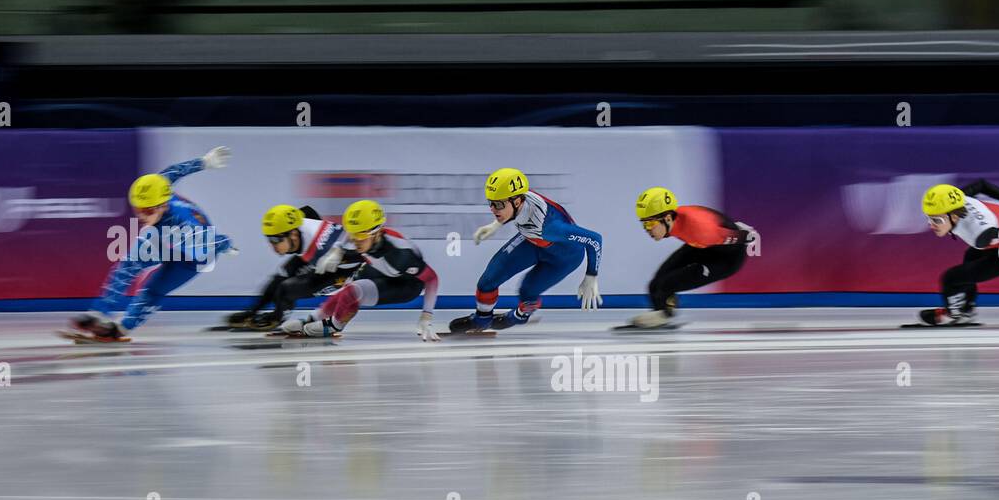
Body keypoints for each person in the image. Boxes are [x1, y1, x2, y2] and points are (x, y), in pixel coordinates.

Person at [68, 146, 232, 341]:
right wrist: (204, 162)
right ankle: (100, 313)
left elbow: (213, 242)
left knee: (153, 289)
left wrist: (226, 244)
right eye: (137, 210)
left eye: (146, 212)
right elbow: (175, 170)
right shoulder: (157, 187)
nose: (141, 216)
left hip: (195, 253)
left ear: (162, 205)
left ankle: (122, 329)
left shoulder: (185, 223)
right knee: (127, 266)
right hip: (165, 235)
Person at [449, 168, 602, 333]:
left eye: (498, 205)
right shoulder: (517, 195)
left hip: (564, 258)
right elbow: (509, 209)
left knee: (527, 291)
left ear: (517, 202)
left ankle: (518, 317)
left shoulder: (551, 228)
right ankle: (482, 320)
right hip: (533, 241)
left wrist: (591, 276)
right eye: (491, 203)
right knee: (488, 280)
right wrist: (494, 225)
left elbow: (595, 239)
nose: (493, 209)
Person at [279, 200, 440, 341]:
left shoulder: (401, 256)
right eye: (353, 234)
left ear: (376, 233)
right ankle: (313, 317)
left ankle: (334, 325)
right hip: (379, 266)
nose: (355, 240)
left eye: (360, 235)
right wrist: (338, 249)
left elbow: (432, 279)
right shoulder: (365, 236)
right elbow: (349, 233)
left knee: (354, 290)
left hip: (407, 284)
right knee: (348, 287)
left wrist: (427, 315)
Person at [918, 180, 999, 326]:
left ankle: (954, 314)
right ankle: (966, 309)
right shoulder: (958, 200)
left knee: (951, 278)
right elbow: (982, 184)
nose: (931, 225)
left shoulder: (976, 233)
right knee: (969, 261)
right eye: (929, 218)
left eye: (937, 220)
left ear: (954, 216)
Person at [625, 187, 751, 329]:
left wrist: (747, 236)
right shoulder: (673, 220)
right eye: (644, 224)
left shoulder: (702, 229)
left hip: (726, 259)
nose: (647, 229)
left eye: (650, 223)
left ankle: (663, 316)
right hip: (701, 245)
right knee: (655, 284)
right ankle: (662, 314)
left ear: (667, 218)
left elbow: (743, 237)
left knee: (668, 283)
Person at [224, 204, 361, 331]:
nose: (272, 246)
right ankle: (252, 312)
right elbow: (308, 210)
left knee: (287, 288)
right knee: (281, 275)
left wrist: (342, 253)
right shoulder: (300, 219)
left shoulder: (321, 249)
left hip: (346, 269)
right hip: (323, 254)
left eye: (276, 240)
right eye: (269, 240)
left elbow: (362, 255)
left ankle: (277, 317)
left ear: (294, 235)